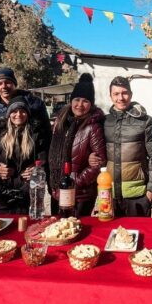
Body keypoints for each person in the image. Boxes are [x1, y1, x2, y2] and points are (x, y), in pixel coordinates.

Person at [89, 76, 152, 217]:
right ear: (110, 96)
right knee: (112, 236)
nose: (120, 98)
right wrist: (91, 157)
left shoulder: (145, 121)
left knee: (140, 236)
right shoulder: (104, 121)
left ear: (131, 94)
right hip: (109, 194)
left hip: (138, 195)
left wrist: (151, 191)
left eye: (124, 93)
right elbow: (96, 150)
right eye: (116, 94)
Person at [48, 74, 106, 216]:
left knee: (76, 229)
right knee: (58, 230)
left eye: (85, 101)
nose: (80, 105)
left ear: (91, 104)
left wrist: (74, 183)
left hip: (80, 193)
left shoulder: (93, 126)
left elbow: (99, 163)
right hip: (57, 189)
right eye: (77, 100)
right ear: (71, 101)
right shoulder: (61, 123)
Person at [0, 96, 48, 214]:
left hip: (27, 198)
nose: (19, 114)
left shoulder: (37, 135)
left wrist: (36, 170)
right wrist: (2, 189)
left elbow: (44, 161)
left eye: (23, 111)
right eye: (14, 111)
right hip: (1, 199)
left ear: (28, 113)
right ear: (9, 114)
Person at [0, 67, 51, 156]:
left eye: (8, 82)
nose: (4, 86)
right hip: (3, 162)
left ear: (14, 84)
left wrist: (41, 162)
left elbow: (46, 134)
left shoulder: (35, 104)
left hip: (31, 157)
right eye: (0, 83)